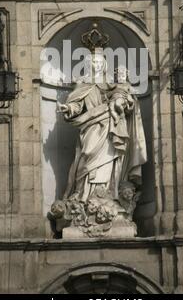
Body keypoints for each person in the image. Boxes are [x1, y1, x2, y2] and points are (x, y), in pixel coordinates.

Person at [57, 51, 147, 203]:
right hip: (90, 127)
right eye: (94, 62)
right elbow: (77, 105)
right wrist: (69, 108)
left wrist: (127, 101)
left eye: (100, 63)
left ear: (104, 65)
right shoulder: (82, 83)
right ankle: (83, 195)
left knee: (108, 159)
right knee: (87, 155)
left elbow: (122, 97)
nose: (97, 65)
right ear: (88, 64)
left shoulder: (111, 83)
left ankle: (108, 194)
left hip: (109, 126)